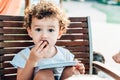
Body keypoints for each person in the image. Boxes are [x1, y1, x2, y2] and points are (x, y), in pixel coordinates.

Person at [10, 1, 85, 80]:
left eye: (50, 30)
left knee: (73, 71)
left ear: (59, 33)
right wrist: (32, 60)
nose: (44, 35)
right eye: (38, 29)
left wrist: (79, 71)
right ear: (30, 32)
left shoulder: (65, 55)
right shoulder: (24, 56)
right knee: (44, 74)